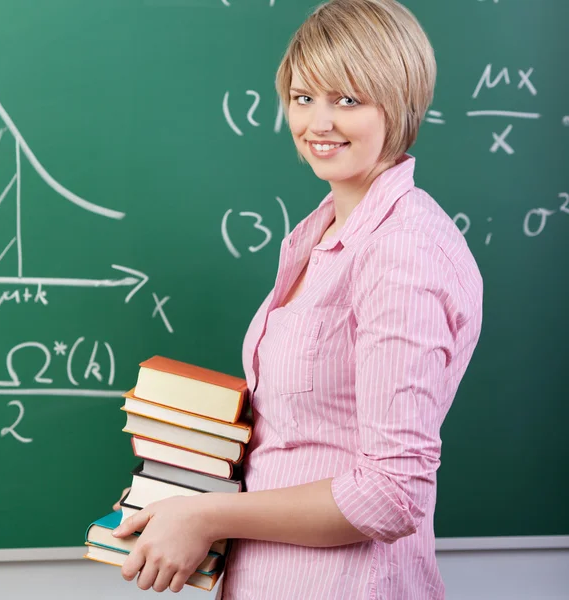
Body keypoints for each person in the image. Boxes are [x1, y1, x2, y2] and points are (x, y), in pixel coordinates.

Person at [112, 0, 483, 597]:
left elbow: (391, 494)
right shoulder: (323, 232)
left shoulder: (402, 253)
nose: (318, 123)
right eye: (304, 97)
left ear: (402, 103)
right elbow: (301, 437)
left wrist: (207, 517)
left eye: (349, 100)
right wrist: (185, 485)